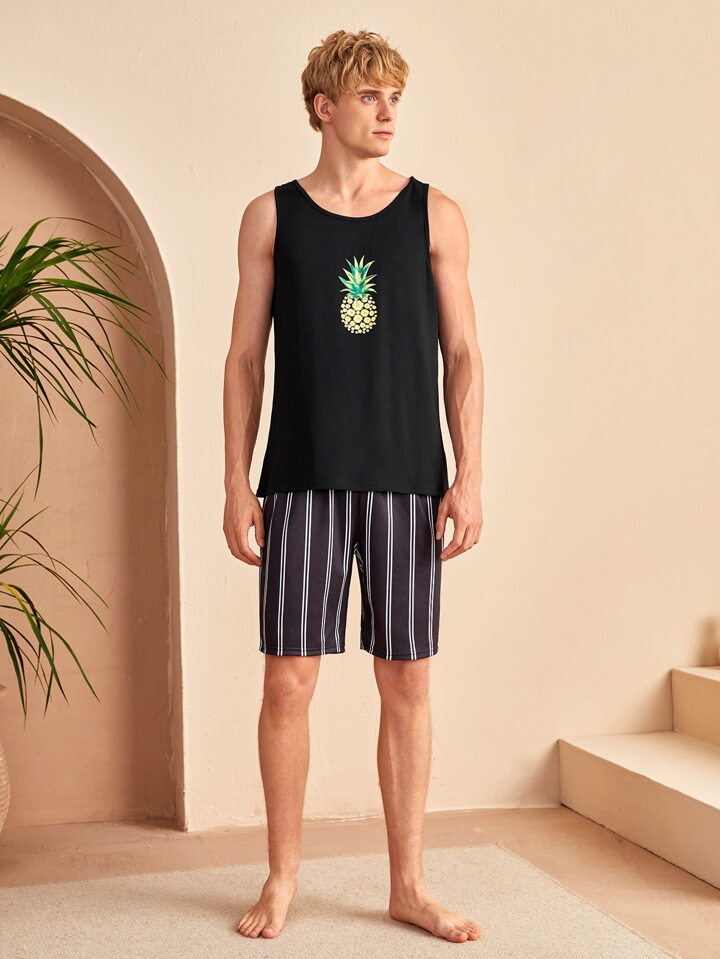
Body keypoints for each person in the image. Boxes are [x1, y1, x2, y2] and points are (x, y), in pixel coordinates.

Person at [223, 28, 484, 944]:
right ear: (324, 107)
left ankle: (408, 884)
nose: (387, 113)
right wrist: (235, 482)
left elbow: (463, 355)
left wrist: (470, 475)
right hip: (301, 480)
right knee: (287, 682)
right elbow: (245, 359)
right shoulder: (271, 217)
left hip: (410, 478)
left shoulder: (434, 214)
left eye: (394, 98)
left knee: (407, 678)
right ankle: (282, 876)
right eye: (370, 96)